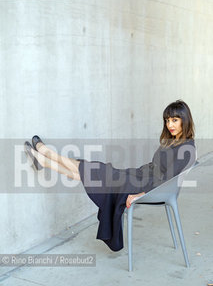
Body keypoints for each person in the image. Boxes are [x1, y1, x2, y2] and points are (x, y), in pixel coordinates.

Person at [24, 99, 197, 252]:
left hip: (148, 187)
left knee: (97, 171)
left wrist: (140, 195)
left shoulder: (187, 149)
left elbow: (167, 181)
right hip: (140, 177)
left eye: (175, 120)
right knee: (96, 171)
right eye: (167, 120)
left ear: (185, 120)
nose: (170, 124)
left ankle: (45, 155)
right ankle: (45, 159)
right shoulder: (173, 141)